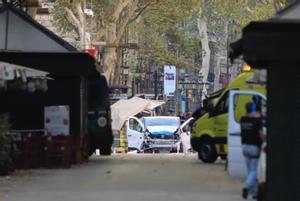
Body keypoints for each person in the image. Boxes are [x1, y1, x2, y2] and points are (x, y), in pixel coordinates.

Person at [240, 102, 265, 199]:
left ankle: (254, 192)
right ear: (253, 110)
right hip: (254, 147)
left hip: (245, 147)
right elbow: (261, 135)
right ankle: (246, 187)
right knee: (254, 171)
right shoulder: (257, 121)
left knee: (250, 170)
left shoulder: (243, 120)